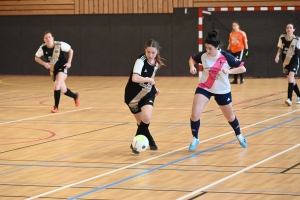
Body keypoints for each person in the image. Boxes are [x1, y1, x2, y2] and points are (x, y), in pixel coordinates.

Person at [188, 30, 247, 151]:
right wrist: (192, 66)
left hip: (222, 90)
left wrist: (229, 71)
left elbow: (243, 68)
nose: (207, 51)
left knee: (230, 117)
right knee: (195, 114)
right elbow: (192, 58)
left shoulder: (226, 57)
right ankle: (195, 137)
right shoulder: (204, 56)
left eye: (210, 48)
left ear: (217, 47)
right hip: (205, 87)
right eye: (206, 48)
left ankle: (239, 134)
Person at [124, 39, 165, 155]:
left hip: (147, 93)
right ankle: (151, 141)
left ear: (157, 52)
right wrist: (149, 80)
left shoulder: (155, 62)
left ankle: (135, 144)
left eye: (153, 52)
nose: (150, 55)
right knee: (141, 123)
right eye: (148, 52)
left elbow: (150, 76)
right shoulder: (140, 61)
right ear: (145, 51)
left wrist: (154, 86)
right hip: (132, 96)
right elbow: (135, 78)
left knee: (146, 118)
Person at [35, 31, 79, 113]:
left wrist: (69, 62)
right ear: (44, 39)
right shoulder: (43, 48)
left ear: (52, 38)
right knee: (63, 90)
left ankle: (56, 107)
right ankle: (75, 96)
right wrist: (44, 63)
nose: (48, 39)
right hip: (53, 70)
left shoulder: (59, 44)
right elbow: (36, 58)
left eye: (49, 37)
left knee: (56, 85)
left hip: (62, 67)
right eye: (46, 37)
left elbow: (71, 50)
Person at [275, 23, 300, 106]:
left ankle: (289, 99)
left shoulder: (297, 39)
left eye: (290, 28)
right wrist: (277, 56)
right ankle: (299, 95)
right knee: (291, 80)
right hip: (286, 61)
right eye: (287, 28)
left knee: (291, 78)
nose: (289, 29)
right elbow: (280, 48)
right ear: (286, 29)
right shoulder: (282, 38)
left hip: (294, 61)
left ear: (293, 29)